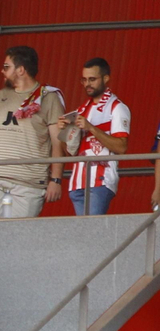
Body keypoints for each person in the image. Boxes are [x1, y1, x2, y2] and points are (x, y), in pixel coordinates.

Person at [0, 45, 66, 218]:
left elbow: (57, 142)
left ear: (21, 70)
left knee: (16, 238)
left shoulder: (48, 98)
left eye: (6, 67)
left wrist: (55, 180)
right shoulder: (1, 96)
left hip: (27, 185)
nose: (2, 71)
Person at [57, 58, 129, 217]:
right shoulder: (82, 109)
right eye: (84, 79)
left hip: (100, 181)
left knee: (92, 234)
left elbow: (121, 147)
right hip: (77, 181)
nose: (87, 84)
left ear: (106, 78)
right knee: (84, 236)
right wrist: (64, 133)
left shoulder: (117, 108)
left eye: (92, 79)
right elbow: (70, 152)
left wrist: (91, 128)